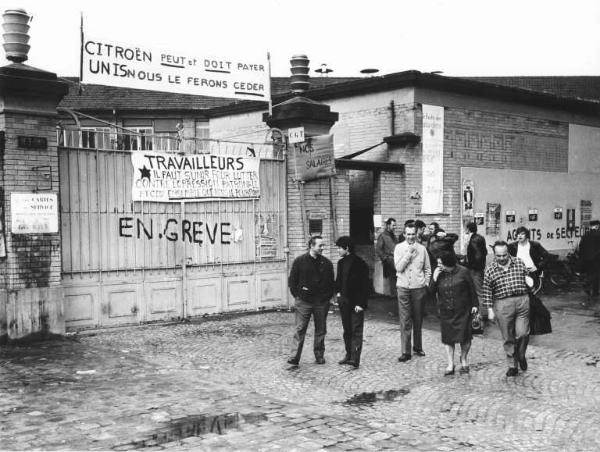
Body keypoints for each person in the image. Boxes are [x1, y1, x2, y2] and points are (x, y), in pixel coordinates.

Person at [482, 241, 530, 377]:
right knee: (508, 337)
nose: (502, 258)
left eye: (504, 255)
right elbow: (486, 291)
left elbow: (527, 278)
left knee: (522, 333)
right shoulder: (490, 269)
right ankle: (512, 365)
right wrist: (490, 310)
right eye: (499, 256)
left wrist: (530, 281)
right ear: (494, 254)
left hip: (522, 300)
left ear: (508, 252)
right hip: (502, 304)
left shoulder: (519, 262)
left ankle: (521, 355)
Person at [287, 235, 335, 366]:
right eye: (320, 246)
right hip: (304, 302)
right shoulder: (299, 261)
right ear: (311, 246)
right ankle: (294, 357)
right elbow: (292, 281)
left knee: (321, 329)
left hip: (321, 303)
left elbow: (331, 283)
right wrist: (298, 296)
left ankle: (319, 355)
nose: (322, 248)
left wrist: (326, 298)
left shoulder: (327, 263)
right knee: (300, 329)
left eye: (323, 245)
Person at [431, 250, 479, 375]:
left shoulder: (464, 272)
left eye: (441, 263)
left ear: (448, 263)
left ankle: (463, 359)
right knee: (448, 339)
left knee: (466, 338)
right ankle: (450, 364)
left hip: (463, 311)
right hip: (446, 311)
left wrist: (475, 305)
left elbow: (472, 289)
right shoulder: (439, 273)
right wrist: (434, 278)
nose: (439, 266)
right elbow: (430, 292)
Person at [394, 223, 432, 362]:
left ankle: (418, 346)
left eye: (412, 234)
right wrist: (408, 255)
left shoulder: (422, 249)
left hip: (418, 288)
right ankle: (405, 351)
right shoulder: (399, 248)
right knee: (405, 320)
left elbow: (428, 269)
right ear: (404, 234)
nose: (410, 237)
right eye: (408, 234)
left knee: (418, 318)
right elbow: (398, 268)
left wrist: (425, 283)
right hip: (403, 288)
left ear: (417, 234)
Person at [335, 236, 370, 368]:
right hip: (344, 301)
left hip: (356, 303)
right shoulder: (340, 263)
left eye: (339, 248)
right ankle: (348, 355)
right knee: (347, 330)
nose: (338, 250)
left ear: (347, 248)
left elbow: (365, 286)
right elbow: (338, 281)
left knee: (356, 330)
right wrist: (338, 294)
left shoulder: (360, 263)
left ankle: (355, 358)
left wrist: (361, 304)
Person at [464, 221, 488, 318]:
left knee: (478, 291)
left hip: (475, 269)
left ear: (468, 229)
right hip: (479, 268)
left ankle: (483, 314)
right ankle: (482, 312)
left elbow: (477, 255)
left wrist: (472, 265)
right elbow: (484, 252)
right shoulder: (480, 237)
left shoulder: (473, 239)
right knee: (479, 290)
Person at [375, 218, 398, 294]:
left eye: (395, 225)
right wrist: (385, 258)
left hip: (396, 260)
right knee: (391, 278)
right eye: (393, 225)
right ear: (388, 225)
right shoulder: (382, 236)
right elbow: (378, 249)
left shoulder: (394, 236)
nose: (395, 227)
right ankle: (392, 295)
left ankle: (395, 294)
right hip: (389, 260)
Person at [579, 220, 600, 301]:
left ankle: (588, 285)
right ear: (597, 226)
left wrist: (582, 257)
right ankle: (594, 291)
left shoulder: (585, 235)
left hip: (586, 259)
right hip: (596, 259)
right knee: (596, 275)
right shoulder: (598, 234)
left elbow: (581, 246)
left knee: (589, 273)